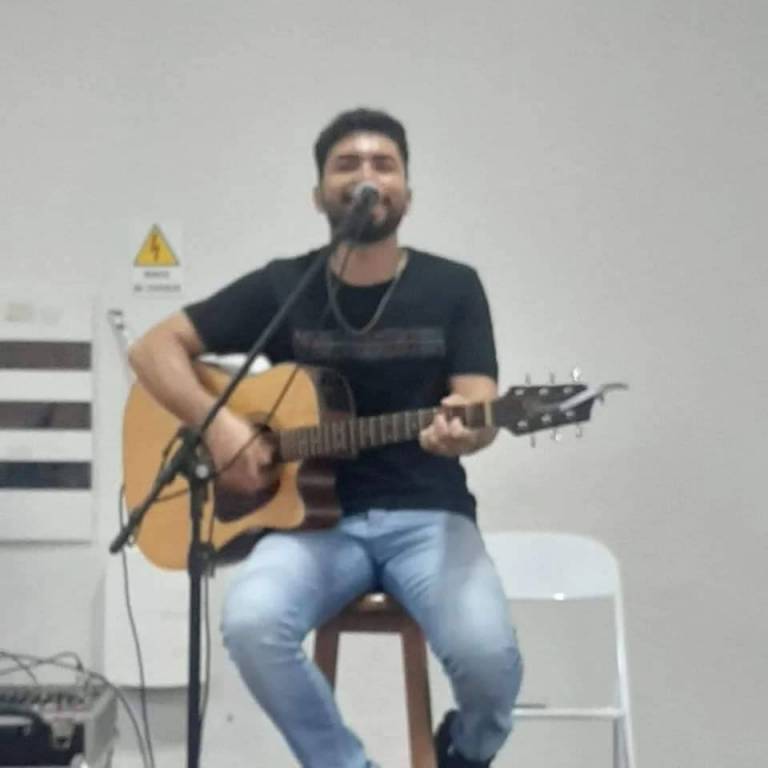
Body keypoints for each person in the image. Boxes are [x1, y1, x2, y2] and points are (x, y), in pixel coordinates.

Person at [128, 108, 523, 768]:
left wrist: (464, 430)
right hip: (311, 526)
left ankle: (464, 751)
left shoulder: (453, 287)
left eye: (384, 164)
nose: (367, 175)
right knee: (251, 624)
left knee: (487, 658)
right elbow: (152, 349)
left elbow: (478, 400)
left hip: (427, 515)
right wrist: (219, 425)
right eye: (347, 164)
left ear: (407, 193)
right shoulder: (287, 287)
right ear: (319, 195)